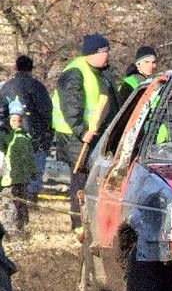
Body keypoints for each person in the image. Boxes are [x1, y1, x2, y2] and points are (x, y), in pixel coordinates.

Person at [52, 33, 119, 239]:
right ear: (92, 53)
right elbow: (71, 106)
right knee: (81, 179)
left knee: (95, 178)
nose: (107, 55)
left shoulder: (102, 72)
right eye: (104, 52)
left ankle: (93, 221)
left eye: (108, 51)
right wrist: (82, 131)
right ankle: (79, 224)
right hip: (76, 137)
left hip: (96, 134)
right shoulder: (74, 73)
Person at [0, 55, 52, 199]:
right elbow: (46, 111)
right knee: (35, 166)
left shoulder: (6, 87)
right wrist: (47, 131)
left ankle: (14, 194)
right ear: (31, 68)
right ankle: (31, 196)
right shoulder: (38, 86)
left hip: (11, 137)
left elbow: (1, 112)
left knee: (12, 165)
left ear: (16, 67)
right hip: (35, 135)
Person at [0, 101, 37, 236]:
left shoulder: (26, 136)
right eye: (14, 120)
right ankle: (9, 231)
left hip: (23, 178)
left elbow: (30, 157)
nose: (17, 123)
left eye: (19, 120)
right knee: (10, 206)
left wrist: (33, 171)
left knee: (21, 204)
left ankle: (21, 228)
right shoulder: (6, 136)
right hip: (8, 179)